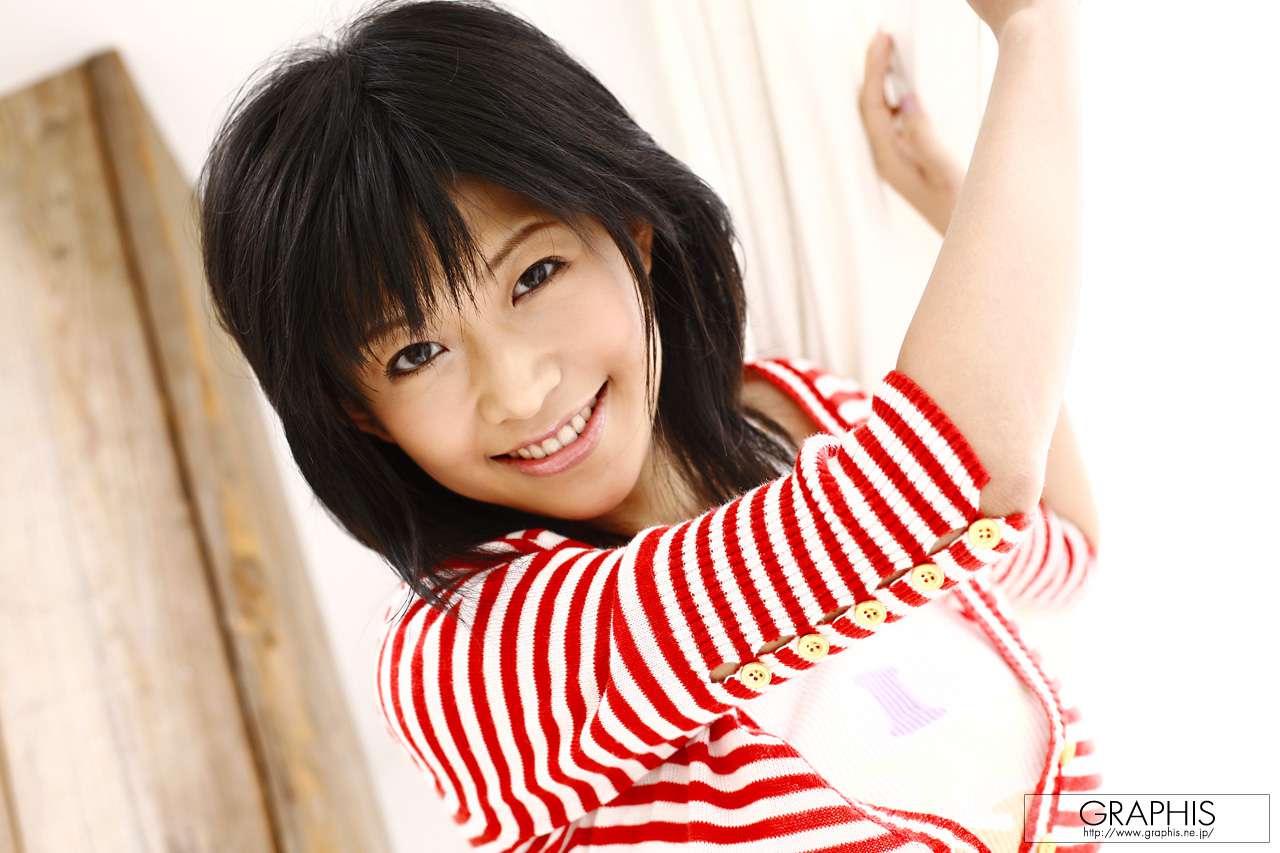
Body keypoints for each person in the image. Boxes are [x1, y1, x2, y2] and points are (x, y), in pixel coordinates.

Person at [196, 0, 1100, 850]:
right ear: (364, 415)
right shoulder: (467, 657)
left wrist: (949, 203)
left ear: (631, 230)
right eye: (416, 353)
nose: (518, 390)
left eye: (535, 275)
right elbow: (961, 467)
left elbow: (1057, 542)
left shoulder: (805, 412)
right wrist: (1036, 29)